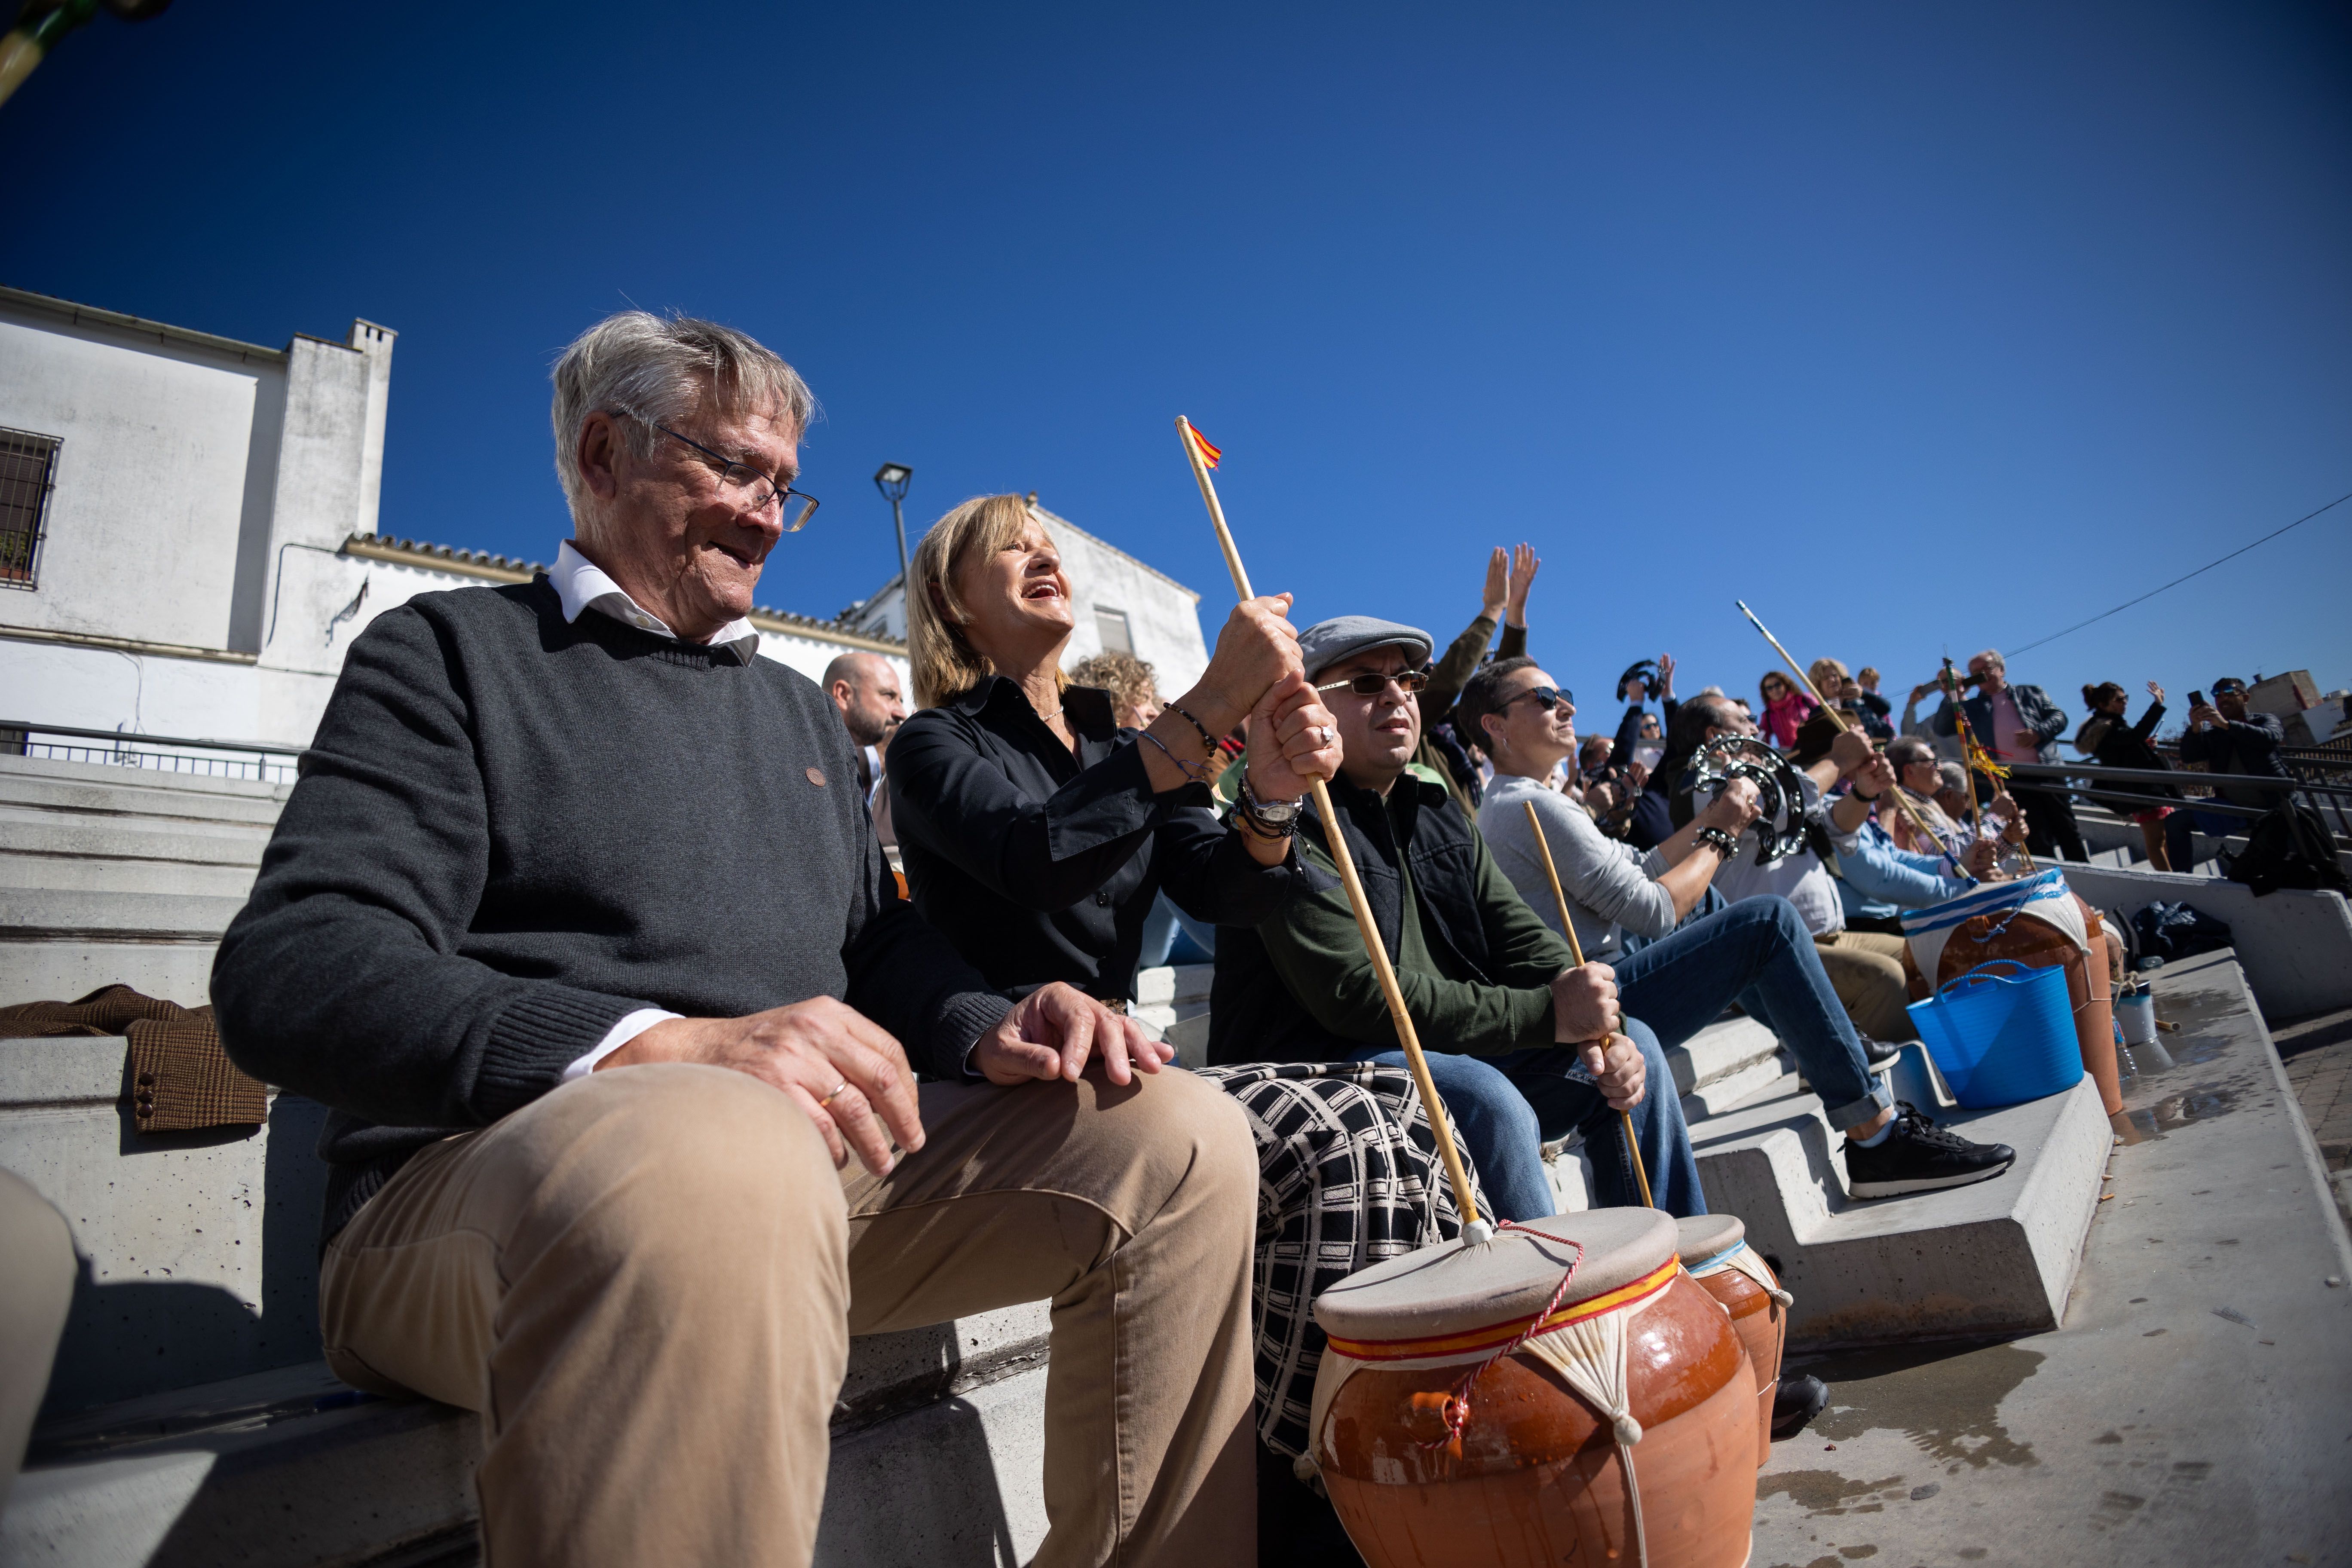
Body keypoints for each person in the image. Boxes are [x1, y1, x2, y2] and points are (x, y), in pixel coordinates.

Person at [210, 312, 1263, 1568]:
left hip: (792, 1172)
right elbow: (295, 963)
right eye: (731, 469)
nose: (767, 518)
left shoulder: (796, 718)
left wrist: (992, 1019)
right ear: (603, 454)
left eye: (784, 488)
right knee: (708, 1147)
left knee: (1180, 1136)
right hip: (470, 1192)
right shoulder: (446, 655)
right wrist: (646, 1046)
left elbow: (877, 948)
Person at [884, 527, 1459, 1552]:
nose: (1040, 552)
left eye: (1043, 538)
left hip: (1120, 1072)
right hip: (1009, 1070)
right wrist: (1203, 713)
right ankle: (1300, 1496)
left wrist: (1273, 792)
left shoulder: (1115, 741)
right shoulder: (934, 743)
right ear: (954, 603)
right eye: (1003, 549)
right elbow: (1036, 858)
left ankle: (1366, 1455)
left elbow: (1217, 883)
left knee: (1399, 1111)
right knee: (1331, 1135)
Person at [1464, 658, 2013, 1201]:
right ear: (1495, 726)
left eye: (1563, 693)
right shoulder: (1527, 806)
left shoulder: (1530, 802)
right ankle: (1878, 1136)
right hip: (1592, 1009)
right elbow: (1654, 910)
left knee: (1716, 906)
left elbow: (1648, 868)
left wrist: (1713, 822)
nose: (1566, 706)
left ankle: (1833, 1050)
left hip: (1602, 985)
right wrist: (1722, 834)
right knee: (1766, 921)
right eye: (1543, 698)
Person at [1207, 618, 1696, 1225]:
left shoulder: (1437, 810)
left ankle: (1672, 1267)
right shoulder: (1281, 820)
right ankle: (1542, 1311)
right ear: (1304, 706)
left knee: (1630, 1044)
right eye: (1365, 683)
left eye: (1407, 680)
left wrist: (1598, 1018)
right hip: (1312, 1072)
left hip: (1436, 1047)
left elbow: (1519, 937)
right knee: (1482, 1097)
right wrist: (1547, 1014)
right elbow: (1355, 996)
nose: (1396, 696)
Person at [1669, 696, 1920, 1044]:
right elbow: (1781, 800)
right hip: (1775, 951)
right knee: (1885, 978)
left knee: (1919, 956)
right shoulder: (1700, 784)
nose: (1757, 727)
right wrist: (1840, 759)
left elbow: (1836, 827)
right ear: (1715, 735)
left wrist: (1864, 792)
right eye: (1746, 719)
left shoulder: (1772, 776)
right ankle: (1884, 1083)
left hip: (1829, 935)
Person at [1414, 544, 1538, 810]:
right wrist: (1493, 609)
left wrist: (1515, 609)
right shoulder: (1409, 734)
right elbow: (1447, 684)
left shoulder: (1451, 737)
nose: (1432, 675)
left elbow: (1497, 693)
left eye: (1433, 671)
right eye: (1422, 675)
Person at [1932, 649, 2087, 862]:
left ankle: (2081, 867)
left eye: (1986, 669)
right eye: (1975, 672)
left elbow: (2059, 717)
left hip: (2047, 771)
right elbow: (1942, 728)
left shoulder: (2030, 692)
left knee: (2067, 829)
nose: (1982, 675)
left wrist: (2039, 732)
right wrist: (1954, 695)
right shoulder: (1972, 707)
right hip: (2013, 779)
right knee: (2035, 836)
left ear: (2002, 670)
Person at [2075, 680, 2180, 871]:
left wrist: (2142, 747)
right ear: (2103, 705)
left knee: (2165, 839)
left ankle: (2175, 877)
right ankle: (2173, 881)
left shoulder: (2111, 726)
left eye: (2125, 698)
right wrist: (2156, 706)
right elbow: (2134, 737)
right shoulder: (2106, 729)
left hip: (2148, 790)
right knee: (2156, 842)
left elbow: (2127, 748)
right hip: (2142, 793)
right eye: (2119, 700)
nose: (2124, 703)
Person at [1758, 668, 1818, 750]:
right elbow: (1763, 742)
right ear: (1765, 692)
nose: (1774, 690)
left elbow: (1823, 715)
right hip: (1790, 756)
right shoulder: (1767, 715)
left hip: (1815, 748)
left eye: (1778, 685)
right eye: (1769, 688)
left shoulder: (1806, 700)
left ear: (1786, 684)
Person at [1854, 667, 1896, 739]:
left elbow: (1887, 719)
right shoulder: (1856, 701)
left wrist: (1893, 736)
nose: (1870, 686)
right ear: (1859, 684)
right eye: (1866, 684)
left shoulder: (1880, 700)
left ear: (1877, 684)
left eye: (1873, 683)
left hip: (1882, 736)